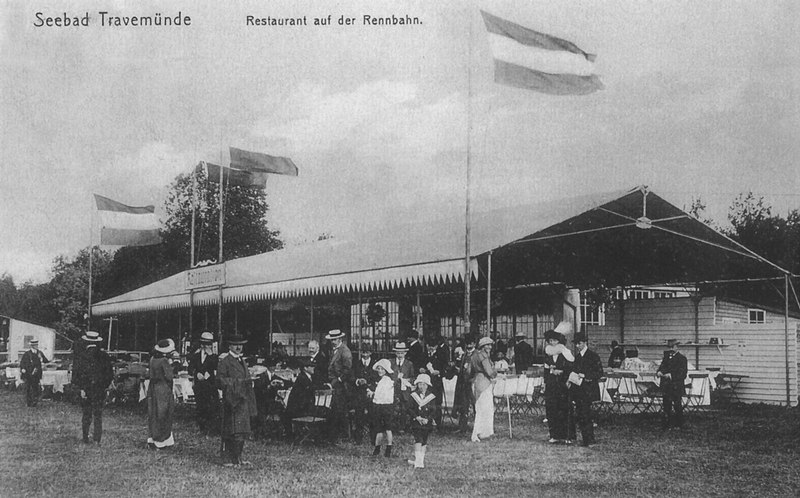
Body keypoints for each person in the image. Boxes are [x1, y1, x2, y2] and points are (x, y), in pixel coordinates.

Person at [217, 334, 257, 466]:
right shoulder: (225, 362)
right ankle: (230, 458)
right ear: (230, 346)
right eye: (235, 345)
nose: (239, 347)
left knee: (242, 430)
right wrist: (240, 383)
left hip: (243, 399)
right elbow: (220, 381)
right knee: (233, 430)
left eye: (241, 344)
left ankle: (238, 457)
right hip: (232, 400)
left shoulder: (242, 360)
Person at [72, 330, 113, 445]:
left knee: (86, 414)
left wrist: (81, 389)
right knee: (98, 414)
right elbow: (109, 374)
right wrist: (104, 386)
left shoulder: (81, 356)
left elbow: (76, 375)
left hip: (86, 390)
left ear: (86, 341)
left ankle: (85, 438)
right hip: (99, 390)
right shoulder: (104, 356)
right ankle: (97, 439)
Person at [568, 333, 604, 447]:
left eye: (579, 343)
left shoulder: (593, 356)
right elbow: (574, 371)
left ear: (585, 343)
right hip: (578, 389)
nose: (578, 346)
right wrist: (570, 379)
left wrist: (585, 375)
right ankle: (585, 439)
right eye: (576, 344)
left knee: (586, 414)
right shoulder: (577, 357)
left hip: (588, 389)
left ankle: (590, 440)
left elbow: (599, 373)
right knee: (580, 414)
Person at [544, 330, 575, 444]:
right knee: (552, 409)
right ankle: (554, 435)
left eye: (555, 340)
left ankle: (568, 436)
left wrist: (562, 373)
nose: (552, 343)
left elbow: (571, 367)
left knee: (564, 409)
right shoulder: (548, 353)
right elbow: (546, 370)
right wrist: (551, 373)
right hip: (552, 385)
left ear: (559, 341)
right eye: (550, 341)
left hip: (563, 384)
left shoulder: (565, 352)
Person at [188, 331, 219, 435]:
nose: (207, 346)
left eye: (209, 344)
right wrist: (196, 374)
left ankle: (211, 429)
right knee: (200, 406)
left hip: (210, 384)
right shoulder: (195, 355)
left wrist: (210, 356)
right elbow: (190, 368)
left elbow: (215, 368)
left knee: (211, 406)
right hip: (199, 385)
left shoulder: (214, 356)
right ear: (201, 344)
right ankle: (202, 427)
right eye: (205, 344)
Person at [325, 329, 353, 444]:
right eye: (331, 340)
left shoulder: (345, 351)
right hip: (334, 383)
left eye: (335, 340)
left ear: (340, 339)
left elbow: (348, 369)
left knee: (341, 410)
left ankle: (345, 435)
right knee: (335, 410)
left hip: (342, 385)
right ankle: (336, 435)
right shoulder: (333, 350)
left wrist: (339, 380)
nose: (333, 342)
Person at [147, 339, 176, 449]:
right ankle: (161, 440)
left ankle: (152, 438)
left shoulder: (152, 359)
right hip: (163, 389)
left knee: (154, 413)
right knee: (164, 413)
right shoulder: (164, 361)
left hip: (153, 388)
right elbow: (169, 376)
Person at [470, 336, 497, 443]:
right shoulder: (484, 356)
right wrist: (495, 372)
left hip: (476, 381)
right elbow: (490, 372)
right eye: (487, 345)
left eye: (490, 345)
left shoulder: (474, 355)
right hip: (484, 382)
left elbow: (469, 371)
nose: (489, 347)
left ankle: (481, 432)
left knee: (480, 408)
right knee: (485, 409)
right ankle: (478, 433)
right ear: (482, 346)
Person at [656, 339, 688, 430]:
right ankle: (667, 424)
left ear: (677, 347)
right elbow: (662, 366)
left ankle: (679, 424)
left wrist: (671, 375)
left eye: (672, 347)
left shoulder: (682, 358)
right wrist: (659, 372)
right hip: (666, 385)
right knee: (666, 405)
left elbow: (683, 374)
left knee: (677, 405)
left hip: (676, 385)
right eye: (669, 347)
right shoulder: (666, 357)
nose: (670, 349)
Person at [282, 358, 315, 441]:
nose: (313, 368)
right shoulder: (303, 378)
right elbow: (308, 392)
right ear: (305, 368)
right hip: (300, 409)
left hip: (300, 407)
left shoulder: (305, 377)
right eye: (311, 366)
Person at [407, 374, 436, 469]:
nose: (422, 386)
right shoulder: (413, 396)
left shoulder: (431, 397)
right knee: (418, 440)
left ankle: (420, 460)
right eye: (420, 384)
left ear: (427, 385)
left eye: (424, 384)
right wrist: (416, 417)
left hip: (426, 423)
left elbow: (434, 410)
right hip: (416, 422)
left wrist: (428, 419)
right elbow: (409, 409)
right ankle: (418, 462)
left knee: (424, 441)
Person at [367, 358, 395, 457]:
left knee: (387, 428)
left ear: (386, 370)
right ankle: (377, 448)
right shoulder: (381, 380)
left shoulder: (387, 380)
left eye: (382, 369)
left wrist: (372, 393)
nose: (380, 370)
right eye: (378, 368)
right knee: (378, 428)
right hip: (378, 405)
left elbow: (382, 394)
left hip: (386, 406)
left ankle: (388, 448)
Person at [353, 345, 378, 444]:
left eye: (367, 352)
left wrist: (369, 384)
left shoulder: (375, 365)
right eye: (363, 352)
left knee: (372, 416)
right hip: (359, 394)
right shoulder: (356, 363)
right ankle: (358, 439)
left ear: (370, 353)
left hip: (371, 394)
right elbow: (352, 376)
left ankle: (373, 439)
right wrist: (357, 381)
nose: (365, 354)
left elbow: (377, 378)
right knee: (359, 416)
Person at [389, 341, 415, 431]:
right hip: (393, 388)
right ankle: (392, 426)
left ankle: (402, 427)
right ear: (395, 353)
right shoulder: (391, 362)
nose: (400, 355)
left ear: (405, 353)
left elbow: (413, 377)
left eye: (402, 353)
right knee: (393, 407)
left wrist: (407, 380)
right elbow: (388, 375)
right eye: (398, 353)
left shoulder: (409, 364)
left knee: (404, 408)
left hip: (404, 390)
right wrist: (396, 377)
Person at [452, 335, 476, 433]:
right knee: (463, 405)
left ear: (474, 344)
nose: (469, 345)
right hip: (462, 384)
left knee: (474, 405)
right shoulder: (464, 354)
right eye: (467, 344)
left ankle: (476, 427)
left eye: (471, 343)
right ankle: (462, 427)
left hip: (472, 383)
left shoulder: (476, 355)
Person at [20, 339, 49, 407]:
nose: (36, 346)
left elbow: (46, 361)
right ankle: (29, 402)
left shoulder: (39, 353)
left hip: (37, 373)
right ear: (32, 346)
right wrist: (23, 369)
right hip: (29, 373)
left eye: (37, 345)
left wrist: (49, 362)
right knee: (28, 388)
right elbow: (22, 363)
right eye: (35, 345)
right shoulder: (27, 354)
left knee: (35, 387)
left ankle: (35, 401)